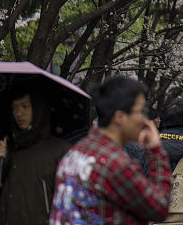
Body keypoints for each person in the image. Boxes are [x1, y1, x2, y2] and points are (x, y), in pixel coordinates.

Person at [51, 76, 172, 225]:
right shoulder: (116, 164)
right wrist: (156, 151)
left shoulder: (76, 151)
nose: (144, 119)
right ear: (120, 117)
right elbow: (160, 208)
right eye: (141, 111)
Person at [0, 86, 72, 225]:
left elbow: (70, 201)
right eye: (14, 107)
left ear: (38, 109)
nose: (18, 113)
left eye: (25, 106)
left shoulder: (60, 150)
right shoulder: (9, 147)